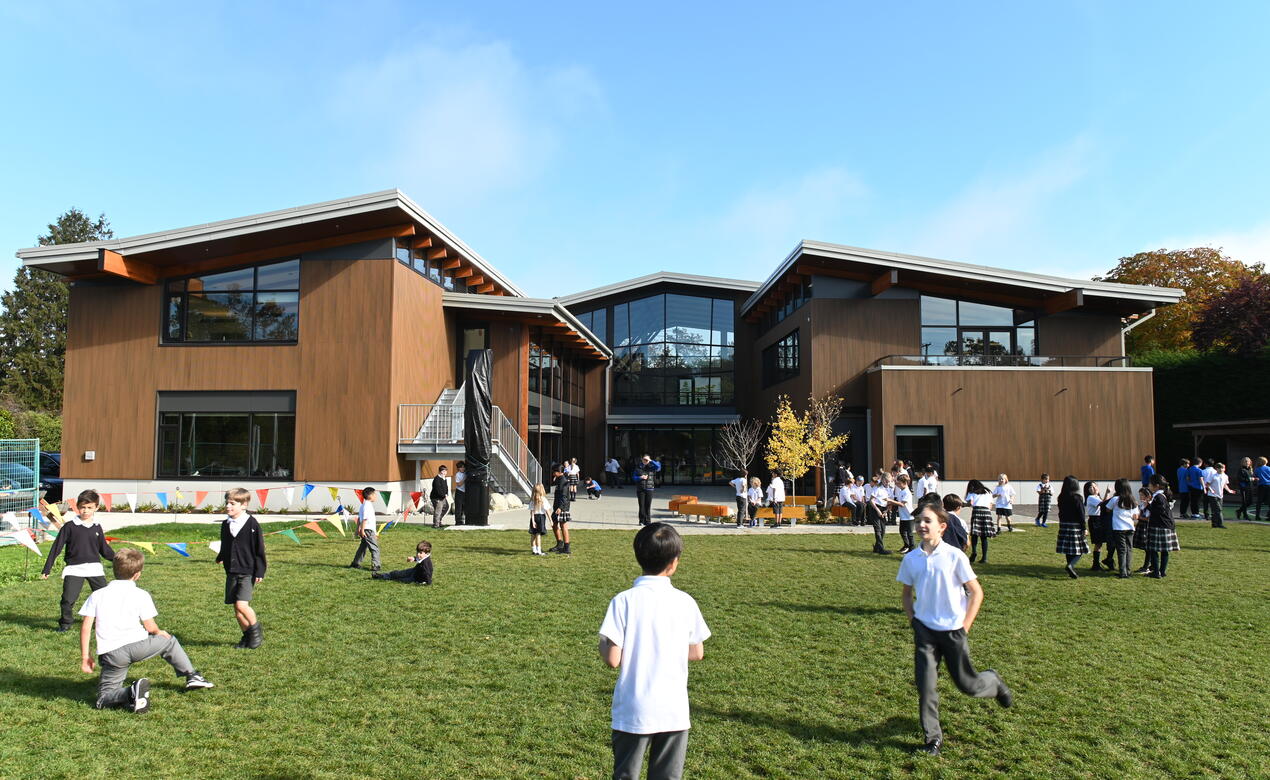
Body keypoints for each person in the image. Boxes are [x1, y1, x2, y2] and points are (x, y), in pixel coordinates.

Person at [898, 504, 1013, 756]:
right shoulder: (911, 558)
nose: (921, 525)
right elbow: (907, 594)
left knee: (968, 685)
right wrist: (913, 620)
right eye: (919, 521)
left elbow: (976, 592)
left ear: (942, 526)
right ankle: (933, 739)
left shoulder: (954, 556)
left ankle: (992, 681)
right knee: (926, 687)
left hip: (953, 631)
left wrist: (965, 626)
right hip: (925, 632)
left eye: (927, 521)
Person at [599, 523, 710, 780]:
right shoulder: (685, 601)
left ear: (638, 556)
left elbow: (613, 659)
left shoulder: (624, 600)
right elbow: (696, 652)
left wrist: (602, 642)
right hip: (673, 709)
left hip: (634, 708)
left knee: (626, 774)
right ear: (674, 563)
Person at [79, 548, 213, 712]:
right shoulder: (141, 594)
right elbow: (150, 626)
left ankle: (129, 692)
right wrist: (159, 633)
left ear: (113, 570)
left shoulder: (97, 595)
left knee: (104, 697)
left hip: (113, 653)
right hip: (139, 646)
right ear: (137, 574)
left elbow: (86, 627)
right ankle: (192, 676)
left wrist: (86, 656)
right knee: (168, 641)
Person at [41, 489, 115, 632]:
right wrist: (47, 568)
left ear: (96, 508)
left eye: (89, 508)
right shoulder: (69, 527)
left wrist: (119, 561)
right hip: (74, 568)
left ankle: (102, 622)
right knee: (68, 599)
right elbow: (56, 547)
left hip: (94, 568)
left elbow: (104, 549)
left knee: (103, 598)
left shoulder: (97, 526)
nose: (85, 511)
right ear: (77, 507)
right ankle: (66, 623)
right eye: (82, 507)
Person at [215, 487, 266, 648]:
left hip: (247, 571)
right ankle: (247, 638)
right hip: (231, 571)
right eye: (227, 503)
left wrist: (260, 570)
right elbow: (226, 544)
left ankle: (256, 634)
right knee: (236, 611)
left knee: (241, 605)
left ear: (244, 505)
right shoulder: (225, 524)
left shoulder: (252, 524)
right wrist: (221, 556)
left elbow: (259, 549)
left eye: (232, 503)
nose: (228, 506)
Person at [1145, 474, 1179, 578]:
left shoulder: (1158, 497)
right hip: (1167, 525)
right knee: (1165, 550)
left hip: (1159, 525)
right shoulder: (1163, 495)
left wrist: (1148, 506)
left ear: (1156, 485)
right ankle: (1162, 571)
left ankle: (1156, 572)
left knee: (1154, 549)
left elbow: (1159, 511)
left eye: (1150, 484)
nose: (1149, 486)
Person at [1055, 476, 1088, 579]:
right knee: (1081, 549)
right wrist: (1084, 527)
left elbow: (1060, 512)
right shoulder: (1077, 497)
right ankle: (1071, 565)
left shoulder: (1061, 497)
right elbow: (1081, 514)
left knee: (1068, 549)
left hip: (1064, 525)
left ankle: (1070, 568)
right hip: (1075, 525)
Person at [1106, 478, 1140, 579]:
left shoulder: (1115, 499)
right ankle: (1128, 570)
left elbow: (1107, 509)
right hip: (1130, 527)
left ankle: (1122, 572)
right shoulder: (1132, 499)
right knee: (1129, 549)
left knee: (1121, 550)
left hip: (1119, 528)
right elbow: (1136, 516)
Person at [349, 486, 382, 572]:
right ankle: (376, 565)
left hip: (365, 529)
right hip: (368, 530)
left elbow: (360, 519)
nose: (376, 496)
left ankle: (355, 563)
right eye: (375, 494)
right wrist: (362, 530)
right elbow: (364, 519)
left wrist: (358, 530)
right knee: (375, 548)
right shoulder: (368, 506)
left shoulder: (363, 505)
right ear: (370, 495)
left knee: (362, 548)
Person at [964, 480, 995, 564]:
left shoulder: (972, 492)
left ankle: (974, 552)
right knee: (984, 536)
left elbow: (970, 503)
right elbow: (991, 505)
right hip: (986, 512)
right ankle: (984, 558)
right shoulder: (988, 492)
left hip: (977, 511)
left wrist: (963, 505)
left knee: (974, 534)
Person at [1203, 462, 1234, 528]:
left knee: (1215, 510)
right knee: (1218, 510)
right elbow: (1207, 484)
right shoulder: (1213, 475)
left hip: (1220, 495)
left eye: (1222, 468)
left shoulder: (1225, 476)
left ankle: (1214, 524)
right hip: (1212, 495)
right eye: (1219, 468)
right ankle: (1220, 524)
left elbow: (1225, 485)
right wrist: (1211, 490)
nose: (1221, 469)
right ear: (1216, 469)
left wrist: (1229, 490)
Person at [549, 467, 572, 554]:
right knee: (554, 524)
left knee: (563, 526)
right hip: (557, 507)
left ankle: (566, 548)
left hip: (562, 507)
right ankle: (559, 544)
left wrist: (560, 508)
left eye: (554, 472)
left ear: (559, 472)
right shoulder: (559, 480)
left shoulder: (563, 481)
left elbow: (564, 496)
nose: (553, 474)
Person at [891, 474, 916, 553]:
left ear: (904, 482)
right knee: (902, 532)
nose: (897, 485)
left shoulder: (907, 492)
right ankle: (906, 545)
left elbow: (902, 504)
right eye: (897, 483)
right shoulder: (901, 491)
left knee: (909, 534)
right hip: (903, 516)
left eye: (899, 483)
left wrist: (890, 501)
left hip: (909, 516)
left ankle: (912, 548)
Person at [867, 474, 891, 554]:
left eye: (889, 482)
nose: (888, 483)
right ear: (883, 480)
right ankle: (881, 549)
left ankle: (877, 548)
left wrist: (886, 511)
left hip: (883, 509)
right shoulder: (877, 488)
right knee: (878, 529)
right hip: (875, 509)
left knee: (883, 530)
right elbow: (871, 500)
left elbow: (889, 501)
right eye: (887, 481)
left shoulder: (888, 489)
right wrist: (878, 510)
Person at [635, 455, 660, 526]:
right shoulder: (638, 467)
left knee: (648, 506)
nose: (645, 461)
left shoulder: (652, 467)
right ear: (642, 460)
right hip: (640, 489)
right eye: (644, 459)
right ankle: (641, 521)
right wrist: (640, 477)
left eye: (646, 460)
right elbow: (634, 477)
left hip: (649, 489)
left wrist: (651, 460)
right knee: (641, 505)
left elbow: (658, 467)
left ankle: (648, 521)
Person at [1133, 486, 1153, 574]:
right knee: (1146, 547)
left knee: (1148, 547)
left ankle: (1146, 566)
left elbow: (1148, 518)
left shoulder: (1150, 505)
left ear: (1147, 496)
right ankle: (1150, 565)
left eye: (1142, 495)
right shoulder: (1142, 504)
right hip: (1141, 525)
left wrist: (1139, 517)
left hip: (1147, 526)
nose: (1140, 497)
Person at [528, 484, 549, 555]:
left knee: (533, 534)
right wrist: (551, 520)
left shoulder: (532, 500)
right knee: (538, 535)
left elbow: (532, 512)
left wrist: (533, 521)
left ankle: (534, 550)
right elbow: (547, 510)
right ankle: (539, 551)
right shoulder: (543, 499)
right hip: (541, 517)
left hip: (534, 518)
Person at [1256, 456, 1270, 521]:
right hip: (1268, 485)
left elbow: (1256, 477)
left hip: (1261, 486)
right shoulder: (1269, 468)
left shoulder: (1257, 469)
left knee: (1259, 501)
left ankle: (1257, 516)